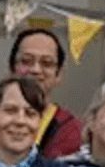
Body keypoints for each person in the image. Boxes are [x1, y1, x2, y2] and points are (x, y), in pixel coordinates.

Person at [8, 28, 83, 156]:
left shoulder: (72, 130)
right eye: (26, 61)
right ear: (11, 69)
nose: (36, 70)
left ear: (58, 75)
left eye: (47, 63)